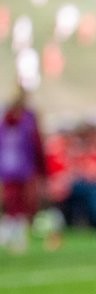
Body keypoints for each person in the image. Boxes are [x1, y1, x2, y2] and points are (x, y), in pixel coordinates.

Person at [0, 86, 45, 254]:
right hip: (10, 167)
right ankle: (10, 232)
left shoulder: (28, 119)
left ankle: (17, 233)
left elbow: (36, 145)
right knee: (11, 200)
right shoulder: (6, 120)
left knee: (23, 201)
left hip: (23, 167)